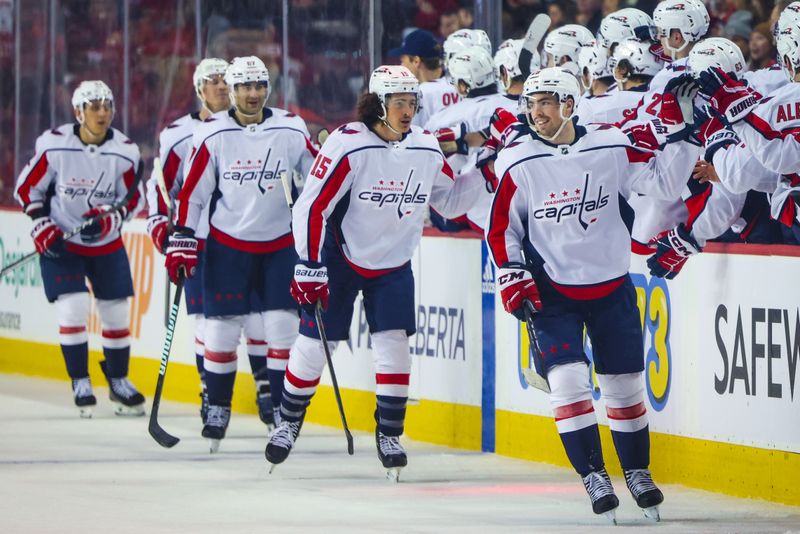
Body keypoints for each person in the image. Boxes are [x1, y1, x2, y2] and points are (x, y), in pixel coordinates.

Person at [485, 67, 696, 522]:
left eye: (545, 101)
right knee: (566, 381)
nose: (534, 111)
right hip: (550, 291)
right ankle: (594, 474)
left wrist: (684, 135)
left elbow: (663, 183)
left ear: (569, 104)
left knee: (624, 386)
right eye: (531, 102)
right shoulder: (518, 160)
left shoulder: (611, 144)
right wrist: (510, 272)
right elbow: (502, 229)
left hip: (611, 284)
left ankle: (637, 471)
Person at [264, 65, 484, 480]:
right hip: (339, 256)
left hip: (393, 261)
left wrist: (485, 172)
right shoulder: (348, 145)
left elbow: (451, 203)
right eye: (398, 102)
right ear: (378, 104)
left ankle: (389, 434)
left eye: (412, 102)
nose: (407, 110)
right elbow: (312, 206)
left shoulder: (425, 147)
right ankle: (288, 421)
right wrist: (309, 263)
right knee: (315, 343)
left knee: (394, 344)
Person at [167, 56, 317, 451]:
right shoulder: (212, 133)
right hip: (227, 244)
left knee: (283, 330)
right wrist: (182, 236)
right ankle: (217, 405)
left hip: (280, 245)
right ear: (231, 91)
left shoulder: (290, 126)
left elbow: (317, 177)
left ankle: (283, 412)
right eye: (245, 87)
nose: (254, 94)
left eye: (260, 85)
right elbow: (193, 192)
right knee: (219, 329)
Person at [146, 58, 276, 428]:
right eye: (212, 81)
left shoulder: (260, 129)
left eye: (225, 80)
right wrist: (161, 225)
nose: (220, 86)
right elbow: (160, 187)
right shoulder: (177, 135)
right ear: (199, 88)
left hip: (247, 238)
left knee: (258, 319)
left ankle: (266, 387)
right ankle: (211, 389)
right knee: (209, 323)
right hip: (199, 242)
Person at [14, 80, 146, 418]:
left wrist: (111, 219)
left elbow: (134, 198)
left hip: (105, 243)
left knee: (116, 313)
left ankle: (118, 381)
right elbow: (28, 189)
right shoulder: (55, 144)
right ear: (79, 112)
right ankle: (81, 380)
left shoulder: (125, 150)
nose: (102, 113)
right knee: (72, 308)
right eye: (94, 106)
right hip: (64, 242)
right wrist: (41, 223)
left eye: (107, 106)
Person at [388, 29, 459, 128]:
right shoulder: (459, 85)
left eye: (403, 60)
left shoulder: (419, 94)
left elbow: (408, 135)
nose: (402, 65)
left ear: (416, 61)